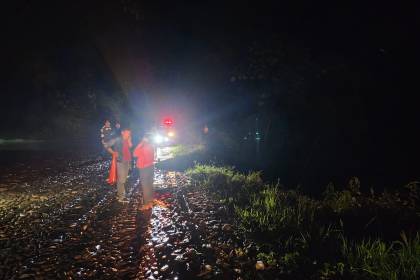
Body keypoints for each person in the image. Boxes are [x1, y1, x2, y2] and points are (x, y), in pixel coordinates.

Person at [104, 128, 133, 203]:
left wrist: (129, 141)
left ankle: (122, 194)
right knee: (121, 180)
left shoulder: (127, 139)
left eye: (129, 133)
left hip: (127, 161)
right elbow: (106, 145)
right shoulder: (117, 139)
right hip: (120, 161)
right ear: (122, 132)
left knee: (123, 179)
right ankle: (121, 197)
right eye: (127, 133)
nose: (128, 135)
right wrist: (113, 152)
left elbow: (130, 147)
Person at [133, 133, 155, 210]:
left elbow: (134, 154)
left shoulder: (143, 146)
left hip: (144, 168)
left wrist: (141, 143)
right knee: (150, 184)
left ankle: (146, 205)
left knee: (145, 186)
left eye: (143, 138)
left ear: (145, 139)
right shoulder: (152, 145)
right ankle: (150, 202)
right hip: (151, 166)